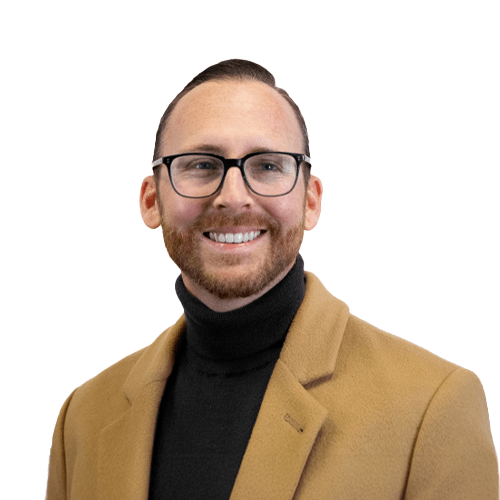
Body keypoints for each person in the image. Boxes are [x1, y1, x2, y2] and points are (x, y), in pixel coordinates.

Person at [46, 59, 498, 499]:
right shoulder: (81, 420)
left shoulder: (432, 407)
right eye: (201, 165)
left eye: (267, 166)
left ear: (310, 201)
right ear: (151, 200)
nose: (233, 197)